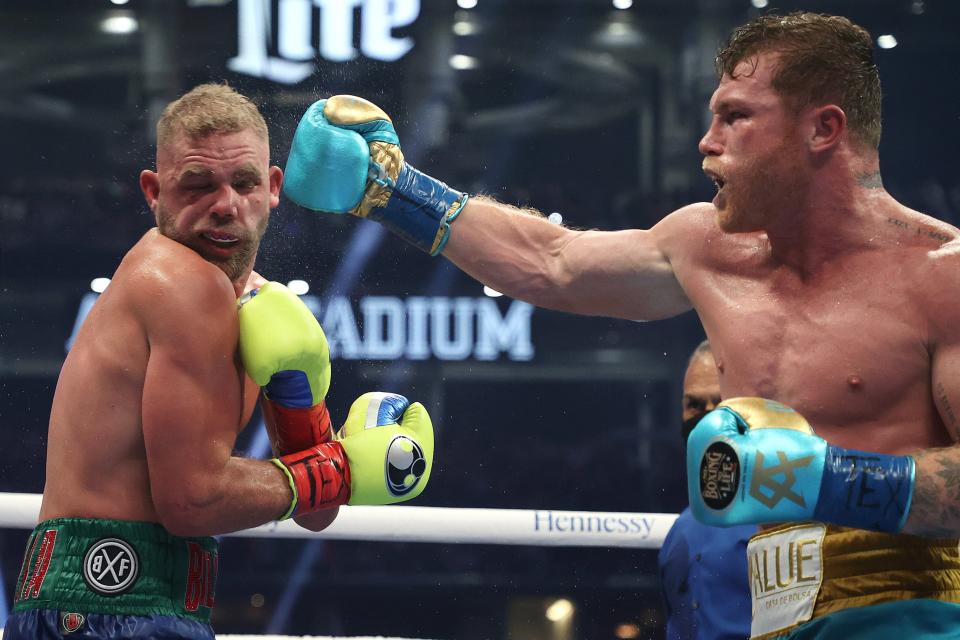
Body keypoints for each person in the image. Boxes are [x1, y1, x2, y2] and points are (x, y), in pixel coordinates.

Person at [281, 10, 960, 638]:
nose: (706, 143)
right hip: (765, 615)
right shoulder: (709, 248)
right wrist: (392, 188)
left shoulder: (941, 275)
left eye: (735, 117)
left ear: (823, 129)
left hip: (903, 615)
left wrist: (831, 479)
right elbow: (552, 262)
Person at [5, 83, 434, 640]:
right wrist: (345, 469)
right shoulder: (182, 284)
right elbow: (193, 499)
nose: (225, 204)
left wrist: (324, 448)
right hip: (106, 608)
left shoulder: (258, 305)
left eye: (244, 182)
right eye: (198, 185)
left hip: (126, 609)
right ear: (154, 192)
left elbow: (312, 511)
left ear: (273, 187)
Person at [659, 340, 755, 640]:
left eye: (721, 403)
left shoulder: (786, 514)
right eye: (695, 405)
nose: (709, 417)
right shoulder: (681, 530)